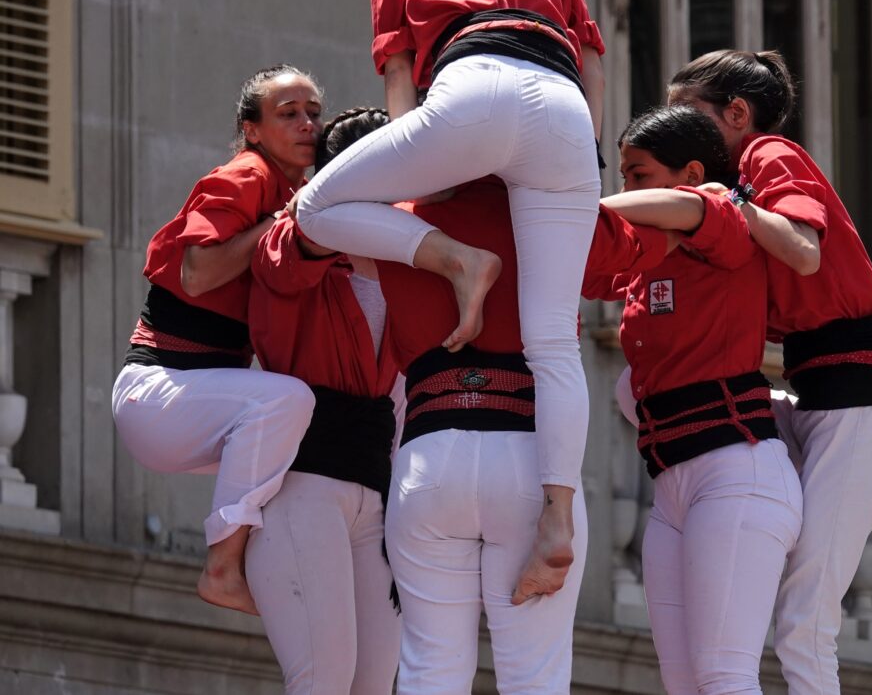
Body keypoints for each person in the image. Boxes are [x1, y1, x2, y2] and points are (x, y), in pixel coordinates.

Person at [295, 0, 605, 599]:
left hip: (474, 88)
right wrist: (584, 166)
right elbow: (592, 53)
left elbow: (401, 71)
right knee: (554, 343)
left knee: (315, 208)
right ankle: (558, 520)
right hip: (565, 112)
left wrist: (419, 206)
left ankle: (459, 261)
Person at [668, 50, 872, 695]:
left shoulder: (767, 156)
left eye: (685, 113)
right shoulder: (733, 189)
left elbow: (803, 252)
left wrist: (723, 201)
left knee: (804, 621)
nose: (673, 127)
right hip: (814, 403)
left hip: (859, 415)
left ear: (737, 114)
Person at [373, 173, 670, 695]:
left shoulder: (395, 215)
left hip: (428, 453)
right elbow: (642, 250)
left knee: (428, 673)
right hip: (529, 456)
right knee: (535, 681)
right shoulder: (548, 211)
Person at [589, 106, 803, 695]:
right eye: (623, 175)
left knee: (725, 677)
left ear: (690, 173)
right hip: (671, 488)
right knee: (685, 686)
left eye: (638, 175)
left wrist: (584, 208)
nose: (626, 187)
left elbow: (691, 208)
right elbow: (577, 265)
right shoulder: (646, 254)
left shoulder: (725, 223)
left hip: (737, 473)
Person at [111, 65, 321, 615]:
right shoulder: (248, 175)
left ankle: (279, 576)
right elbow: (198, 273)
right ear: (251, 129)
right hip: (157, 392)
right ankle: (223, 569)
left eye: (314, 114)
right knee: (289, 402)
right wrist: (277, 222)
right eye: (289, 114)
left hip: (187, 403)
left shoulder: (295, 195)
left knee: (320, 448)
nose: (307, 125)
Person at [245, 108, 402, 695]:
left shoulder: (404, 258)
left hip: (376, 497)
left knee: (374, 685)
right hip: (304, 485)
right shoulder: (292, 238)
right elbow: (303, 236)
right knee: (323, 681)